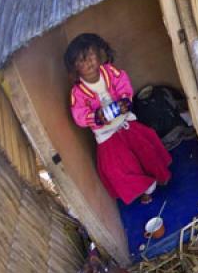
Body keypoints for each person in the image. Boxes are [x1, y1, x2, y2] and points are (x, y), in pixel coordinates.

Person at [66, 33, 172, 205]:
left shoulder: (111, 72)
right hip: (107, 135)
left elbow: (124, 85)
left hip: (126, 123)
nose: (89, 62)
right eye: (82, 61)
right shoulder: (77, 93)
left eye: (91, 55)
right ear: (75, 68)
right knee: (118, 169)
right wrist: (96, 117)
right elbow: (79, 117)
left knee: (146, 149)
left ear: (99, 54)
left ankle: (158, 176)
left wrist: (124, 101)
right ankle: (144, 188)